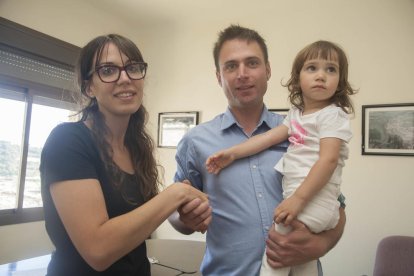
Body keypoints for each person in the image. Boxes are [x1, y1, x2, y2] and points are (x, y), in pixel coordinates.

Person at [168, 25, 346, 275]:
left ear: (268, 70)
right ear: (219, 76)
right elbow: (176, 213)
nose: (242, 74)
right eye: (231, 66)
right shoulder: (195, 142)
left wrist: (322, 244)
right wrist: (184, 219)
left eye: (252, 63)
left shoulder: (302, 130)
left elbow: (336, 205)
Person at [40, 34, 208, 276]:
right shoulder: (67, 141)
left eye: (133, 68)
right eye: (108, 70)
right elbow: (98, 250)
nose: (125, 78)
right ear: (89, 87)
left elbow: (151, 211)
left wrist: (184, 218)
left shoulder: (136, 146)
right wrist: (176, 194)